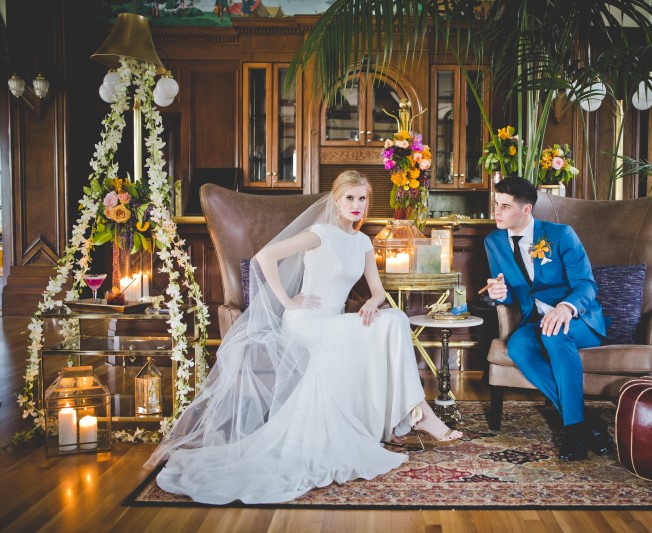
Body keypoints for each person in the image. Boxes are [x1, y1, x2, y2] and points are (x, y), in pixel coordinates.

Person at [144, 170, 461, 504]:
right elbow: (265, 257)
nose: (356, 205)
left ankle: (409, 414)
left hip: (335, 322)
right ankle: (415, 414)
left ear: (368, 202)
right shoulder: (321, 233)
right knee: (389, 324)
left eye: (362, 198)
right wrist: (286, 301)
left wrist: (371, 302)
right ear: (336, 201)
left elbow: (379, 290)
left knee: (394, 317)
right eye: (349, 198)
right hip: (305, 321)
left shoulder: (363, 242)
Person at [484, 176, 613, 461]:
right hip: (535, 321)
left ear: (527, 210)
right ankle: (586, 422)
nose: (497, 212)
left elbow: (587, 284)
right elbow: (509, 295)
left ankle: (575, 431)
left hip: (580, 320)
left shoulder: (561, 234)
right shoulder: (493, 241)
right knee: (517, 346)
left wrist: (566, 308)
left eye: (505, 206)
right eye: (496, 204)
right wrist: (500, 292)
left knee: (554, 332)